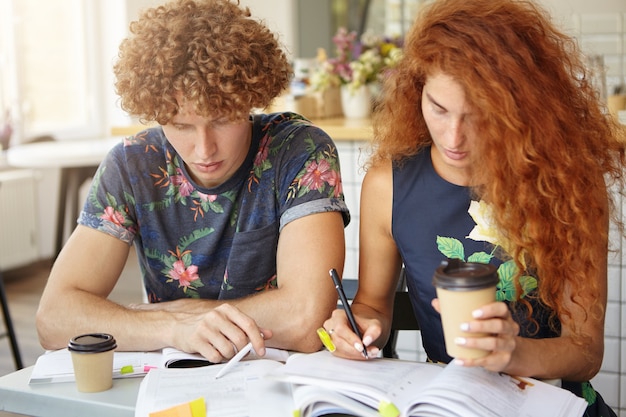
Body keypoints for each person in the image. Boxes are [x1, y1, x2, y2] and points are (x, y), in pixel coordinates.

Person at [323, 0, 624, 414]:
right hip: (447, 403)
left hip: (555, 402)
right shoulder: (387, 184)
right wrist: (361, 328)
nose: (454, 137)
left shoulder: (568, 185)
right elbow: (374, 304)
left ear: (518, 106)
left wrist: (512, 353)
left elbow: (585, 351)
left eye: (478, 116)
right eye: (439, 108)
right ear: (417, 92)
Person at [36, 0, 350, 363]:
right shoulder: (132, 164)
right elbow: (53, 319)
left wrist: (156, 316)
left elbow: (306, 319)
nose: (204, 149)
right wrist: (172, 327)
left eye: (222, 119)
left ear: (250, 99)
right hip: (174, 375)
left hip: (278, 376)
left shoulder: (299, 151)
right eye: (181, 126)